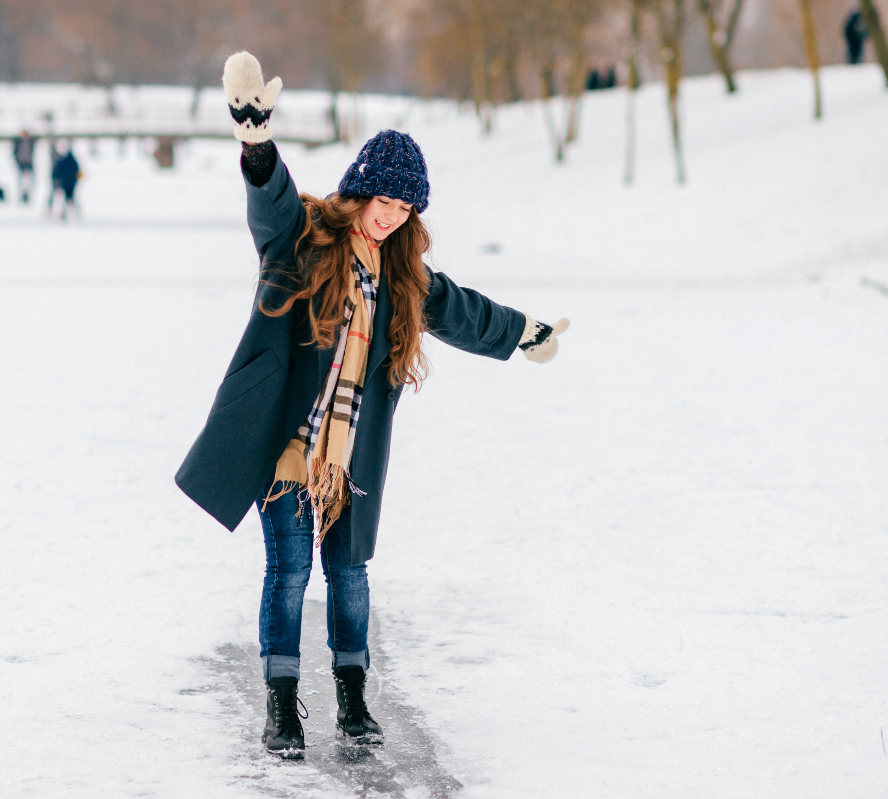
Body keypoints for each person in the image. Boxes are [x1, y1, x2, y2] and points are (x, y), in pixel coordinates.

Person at [174, 52, 570, 760]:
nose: (390, 216)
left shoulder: (404, 276)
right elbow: (272, 206)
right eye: (382, 201)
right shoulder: (308, 242)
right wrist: (257, 147)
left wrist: (522, 333)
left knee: (350, 572)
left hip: (350, 456)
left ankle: (353, 700)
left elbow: (463, 310)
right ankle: (282, 703)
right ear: (359, 193)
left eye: (404, 206)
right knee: (290, 571)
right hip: (288, 449)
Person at [52, 145, 80, 221]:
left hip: (69, 184)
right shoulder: (63, 161)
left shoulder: (68, 161)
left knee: (69, 199)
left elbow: (77, 173)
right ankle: (64, 214)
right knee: (63, 199)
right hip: (65, 184)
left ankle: (73, 214)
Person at [13, 129, 35, 203]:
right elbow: (15, 153)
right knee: (22, 181)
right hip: (22, 164)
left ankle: (26, 195)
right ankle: (22, 195)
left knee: (28, 181)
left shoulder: (30, 142)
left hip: (28, 164)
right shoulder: (19, 142)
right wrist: (18, 161)